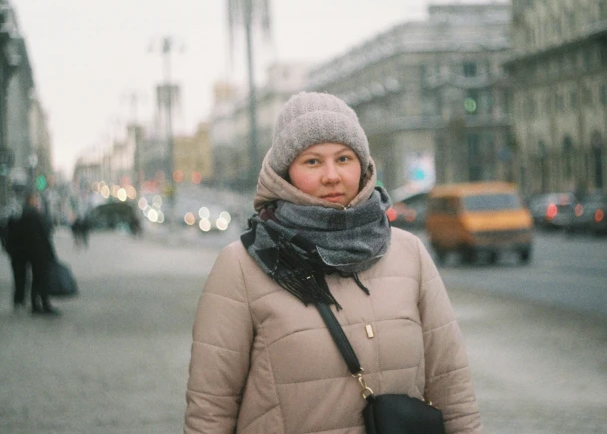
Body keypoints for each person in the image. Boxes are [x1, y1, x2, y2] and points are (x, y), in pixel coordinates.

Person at [184, 92, 482, 433]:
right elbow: (211, 408)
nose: (331, 175)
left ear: (363, 165)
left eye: (344, 158)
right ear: (285, 172)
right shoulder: (243, 264)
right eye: (312, 161)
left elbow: (451, 383)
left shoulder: (408, 253)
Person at [15, 192, 60, 316]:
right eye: (35, 200)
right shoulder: (33, 215)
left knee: (36, 279)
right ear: (31, 201)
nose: (37, 202)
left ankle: (36, 304)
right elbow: (44, 231)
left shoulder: (25, 214)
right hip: (39, 252)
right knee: (42, 278)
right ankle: (44, 304)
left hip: (32, 252)